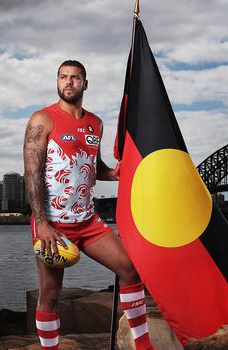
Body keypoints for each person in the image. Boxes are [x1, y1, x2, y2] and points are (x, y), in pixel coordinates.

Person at [23, 60, 155, 350]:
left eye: (75, 77)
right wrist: (41, 223)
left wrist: (116, 173)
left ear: (85, 84)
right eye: (63, 77)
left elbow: (94, 167)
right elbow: (32, 173)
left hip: (88, 221)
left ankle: (144, 346)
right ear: (57, 82)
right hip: (53, 223)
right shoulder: (42, 119)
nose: (69, 82)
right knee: (51, 293)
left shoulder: (95, 123)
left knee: (130, 269)